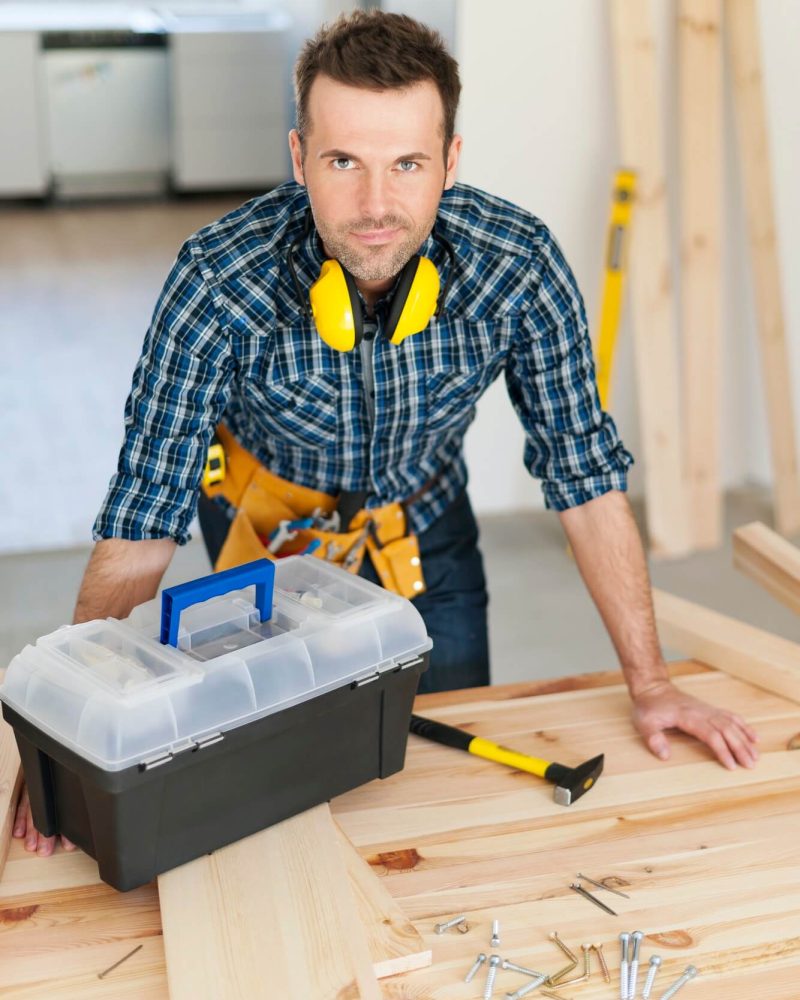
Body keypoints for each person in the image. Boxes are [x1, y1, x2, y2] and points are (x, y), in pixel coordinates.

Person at [14, 10, 758, 857]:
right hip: (268, 533)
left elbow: (584, 479)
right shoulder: (218, 281)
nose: (376, 206)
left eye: (408, 163)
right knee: (272, 783)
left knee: (437, 776)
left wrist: (653, 685)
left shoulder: (516, 266)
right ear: (299, 158)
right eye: (344, 162)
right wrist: (65, 745)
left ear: (451, 161)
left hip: (425, 528)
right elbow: (145, 519)